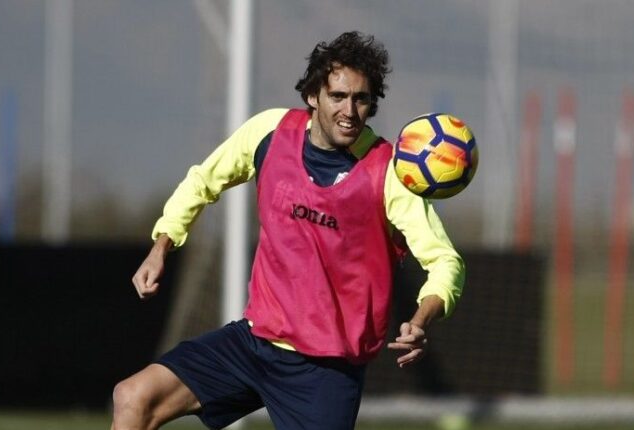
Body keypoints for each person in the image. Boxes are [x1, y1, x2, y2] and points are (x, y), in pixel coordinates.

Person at [112, 31, 465, 430]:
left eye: (361, 99)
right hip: (254, 342)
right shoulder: (269, 132)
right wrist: (162, 244)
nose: (350, 110)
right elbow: (202, 181)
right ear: (313, 95)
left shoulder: (390, 174)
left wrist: (420, 320)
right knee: (134, 397)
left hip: (325, 370)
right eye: (338, 96)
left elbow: (445, 262)